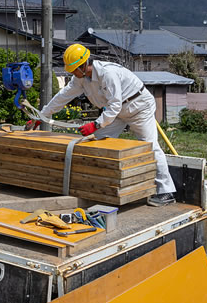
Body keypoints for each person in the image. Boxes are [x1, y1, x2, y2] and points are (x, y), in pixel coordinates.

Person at [32, 43, 177, 207]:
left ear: (83, 65)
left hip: (138, 107)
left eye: (73, 69)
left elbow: (115, 105)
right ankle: (99, 185)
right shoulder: (80, 79)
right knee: (97, 141)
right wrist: (42, 115)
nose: (71, 73)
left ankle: (166, 192)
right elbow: (63, 96)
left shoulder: (107, 73)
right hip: (116, 112)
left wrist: (95, 124)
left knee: (150, 146)